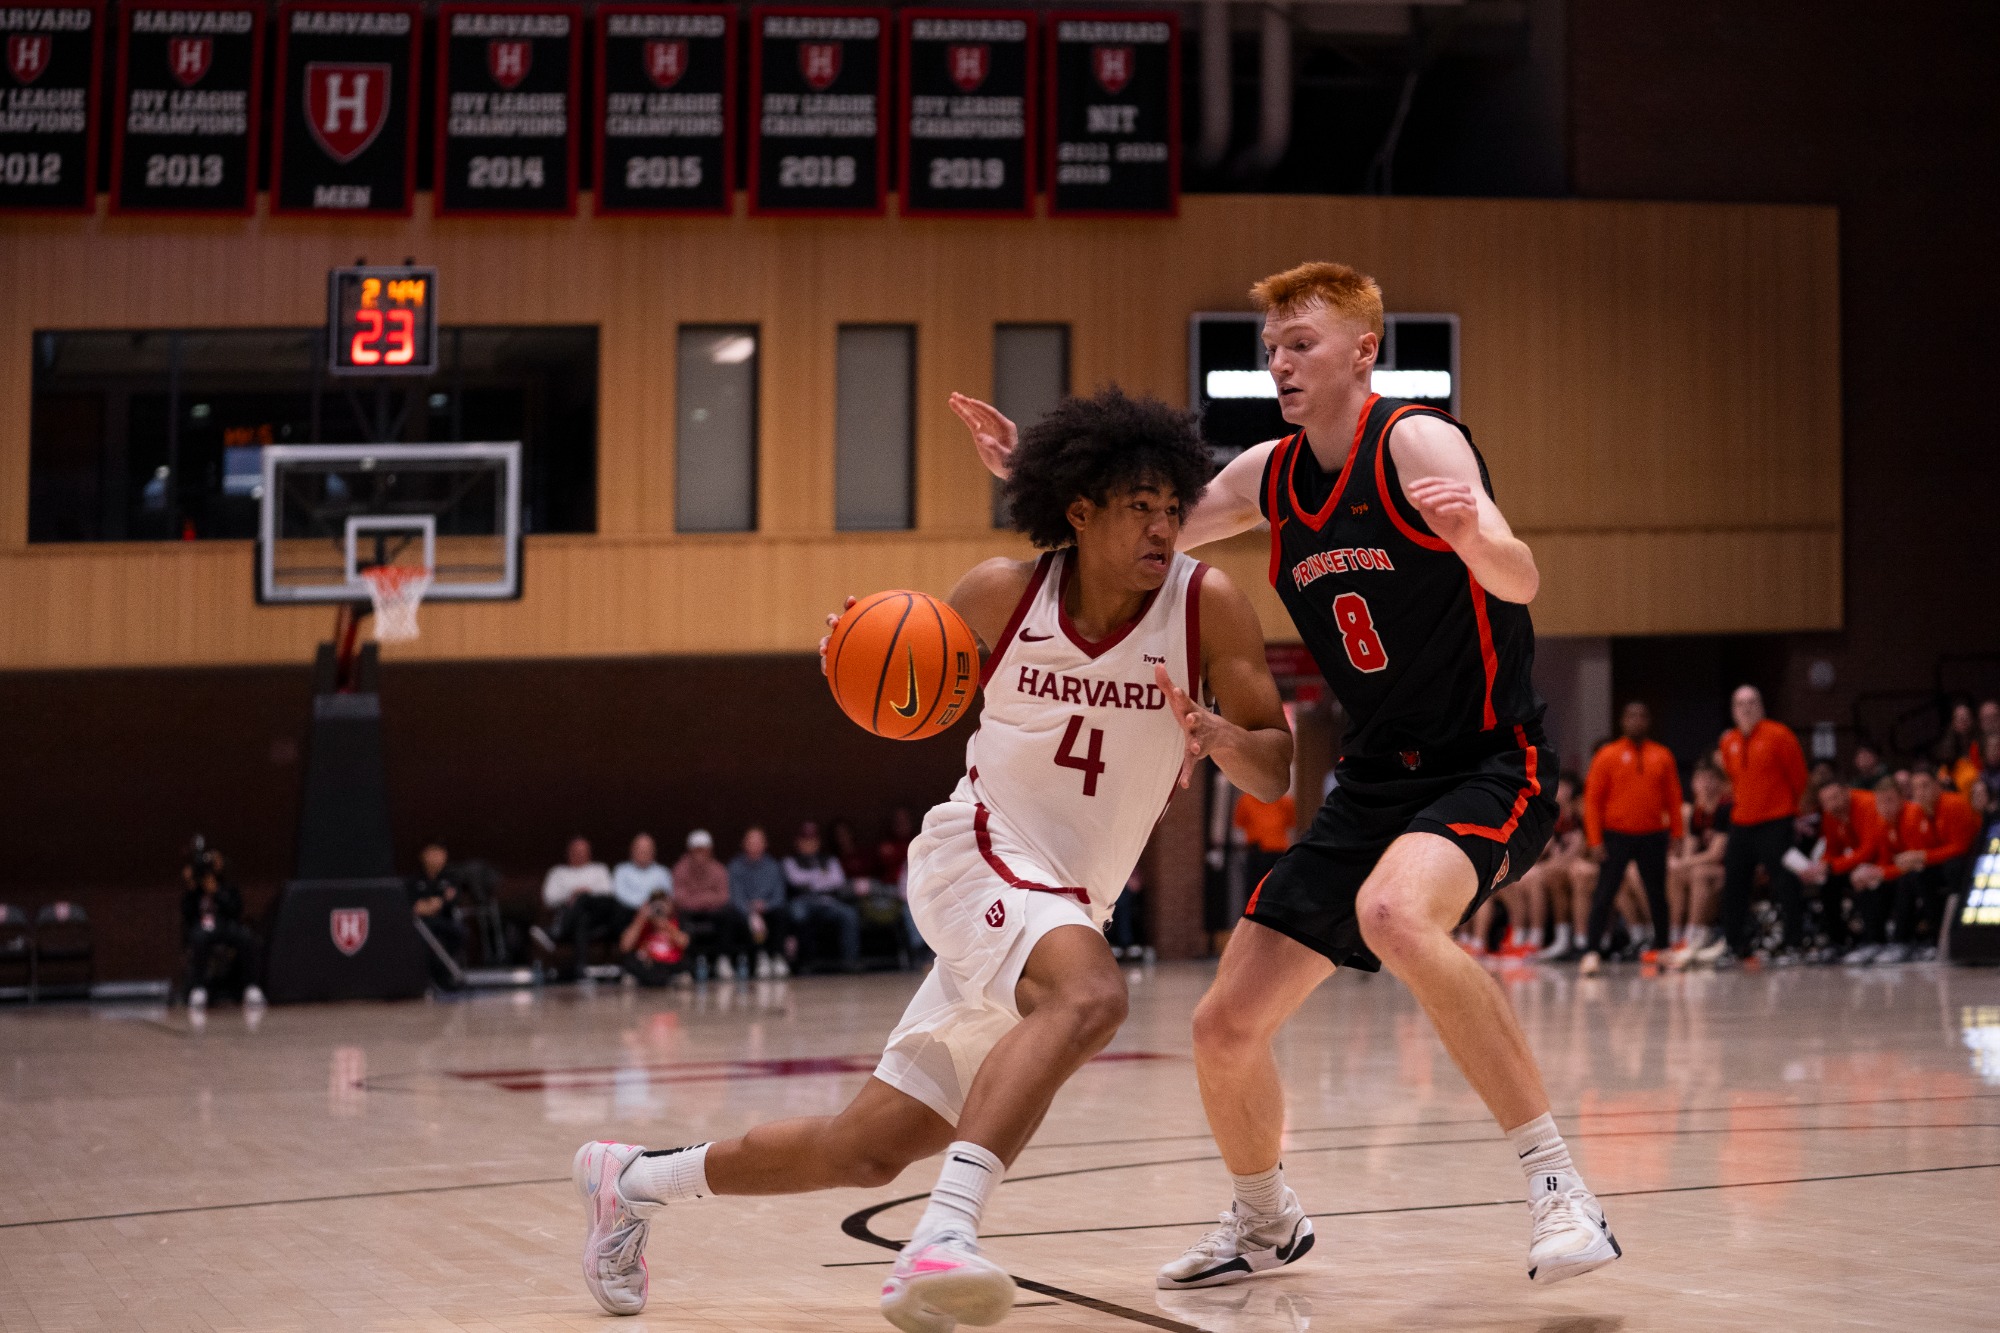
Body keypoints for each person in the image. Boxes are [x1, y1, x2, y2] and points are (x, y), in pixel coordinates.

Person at [570, 387, 1294, 1328]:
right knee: (1091, 996)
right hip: (979, 854)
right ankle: (941, 1236)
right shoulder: (1004, 592)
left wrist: (1219, 735)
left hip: (1068, 902)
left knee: (867, 1147)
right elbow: (913, 681)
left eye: (1172, 508)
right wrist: (855, 653)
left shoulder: (1209, 605)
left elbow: (1277, 769)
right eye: (1139, 508)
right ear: (1078, 510)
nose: (1164, 527)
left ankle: (631, 1182)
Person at [961, 261, 1619, 1291]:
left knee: (1396, 914)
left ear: (1363, 351)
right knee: (1223, 1024)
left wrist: (1473, 538)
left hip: (1489, 763)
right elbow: (1145, 526)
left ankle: (1559, 1189)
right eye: (1270, 349)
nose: (1279, 363)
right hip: (1370, 781)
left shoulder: (1415, 441)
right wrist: (1032, 478)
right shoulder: (1268, 475)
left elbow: (1520, 573)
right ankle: (1265, 1221)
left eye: (1300, 344)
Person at [1577, 702, 1683, 975]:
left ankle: (1662, 949)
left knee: (1658, 895)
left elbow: (1673, 798)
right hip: (1615, 836)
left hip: (1652, 835)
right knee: (1604, 895)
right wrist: (1594, 839)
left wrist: (1678, 832)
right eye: (1631, 716)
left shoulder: (1662, 755)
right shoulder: (1607, 755)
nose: (1636, 721)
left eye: (1642, 716)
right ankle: (1591, 952)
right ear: (1622, 721)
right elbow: (1592, 801)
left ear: (1648, 721)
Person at [1717, 685, 1810, 960]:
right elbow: (1734, 780)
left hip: (1775, 821)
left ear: (1761, 706)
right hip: (1742, 822)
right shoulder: (1728, 741)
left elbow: (1799, 778)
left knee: (1786, 882)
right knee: (1734, 884)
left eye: (1751, 702)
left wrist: (1795, 814)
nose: (1746, 708)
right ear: (1733, 710)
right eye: (1740, 703)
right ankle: (1735, 944)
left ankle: (1794, 942)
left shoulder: (1779, 735)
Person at [1876, 768, 1979, 961]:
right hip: (1942, 865)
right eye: (1916, 788)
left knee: (1950, 867)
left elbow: (1961, 847)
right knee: (1914, 876)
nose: (1921, 792)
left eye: (1925, 786)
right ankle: (1908, 941)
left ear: (1937, 787)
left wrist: (1921, 856)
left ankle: (1942, 939)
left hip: (1969, 864)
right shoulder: (1919, 813)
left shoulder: (1954, 804)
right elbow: (1920, 852)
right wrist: (1917, 858)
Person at [1798, 778, 1886, 960]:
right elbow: (1832, 849)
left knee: (1862, 880)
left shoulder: (1867, 804)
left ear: (1847, 792)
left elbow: (1870, 849)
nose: (1832, 804)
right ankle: (1836, 942)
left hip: (1881, 861)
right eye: (1827, 801)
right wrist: (1821, 866)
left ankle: (1873, 941)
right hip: (1857, 863)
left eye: (1835, 798)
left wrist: (1831, 866)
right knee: (1828, 883)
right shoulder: (1830, 814)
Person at [1668, 763, 1731, 965]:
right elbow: (1691, 846)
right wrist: (1682, 864)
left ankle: (1695, 933)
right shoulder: (1697, 812)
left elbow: (1716, 853)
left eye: (1711, 779)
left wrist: (1686, 863)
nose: (1706, 785)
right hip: (1706, 866)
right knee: (1676, 874)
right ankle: (1674, 933)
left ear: (1722, 784)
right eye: (1701, 779)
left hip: (1728, 866)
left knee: (1699, 874)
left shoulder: (1725, 807)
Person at [671, 830, 750, 979]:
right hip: (690, 912)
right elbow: (679, 898)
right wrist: (707, 898)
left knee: (729, 914)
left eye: (704, 850)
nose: (700, 854)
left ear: (710, 851)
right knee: (679, 916)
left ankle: (723, 959)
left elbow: (724, 897)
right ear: (690, 851)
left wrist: (698, 898)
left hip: (714, 912)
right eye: (697, 850)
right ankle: (688, 964)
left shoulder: (718, 869)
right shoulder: (680, 869)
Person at [182, 865, 264, 1008]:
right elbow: (187, 913)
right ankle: (198, 988)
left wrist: (217, 892)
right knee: (198, 938)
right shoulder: (195, 892)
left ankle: (251, 987)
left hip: (225, 926)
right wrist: (191, 887)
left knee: (245, 936)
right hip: (202, 929)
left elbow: (235, 910)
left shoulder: (227, 887)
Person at [782, 821, 859, 972]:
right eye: (805, 840)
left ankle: (850, 963)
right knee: (799, 914)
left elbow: (838, 881)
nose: (809, 844)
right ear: (798, 842)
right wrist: (821, 878)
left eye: (813, 840)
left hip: (827, 902)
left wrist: (812, 880)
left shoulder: (829, 859)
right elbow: (795, 879)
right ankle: (805, 963)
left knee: (849, 914)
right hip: (802, 901)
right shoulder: (790, 860)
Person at [541, 837, 618, 982]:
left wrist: (583, 894)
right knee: (582, 918)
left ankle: (557, 931)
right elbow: (549, 898)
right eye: (576, 852)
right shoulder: (558, 872)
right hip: (574, 918)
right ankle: (580, 969)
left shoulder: (599, 869)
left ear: (589, 853)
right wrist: (572, 894)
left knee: (584, 900)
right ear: (568, 853)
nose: (580, 855)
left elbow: (608, 893)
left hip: (598, 918)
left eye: (583, 852)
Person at [727, 826, 791, 978]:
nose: (754, 845)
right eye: (751, 842)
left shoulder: (774, 866)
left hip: (768, 909)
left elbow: (779, 896)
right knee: (735, 916)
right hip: (744, 911)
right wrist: (750, 912)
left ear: (765, 844)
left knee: (781, 913)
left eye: (758, 842)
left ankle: (777, 957)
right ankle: (759, 959)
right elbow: (735, 896)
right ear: (744, 844)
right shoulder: (734, 867)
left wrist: (765, 906)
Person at [409, 841, 467, 987]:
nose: (436, 857)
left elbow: (451, 900)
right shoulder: (415, 879)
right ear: (423, 855)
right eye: (432, 852)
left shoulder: (451, 877)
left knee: (460, 932)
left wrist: (436, 904)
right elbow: (415, 906)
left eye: (439, 852)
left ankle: (445, 973)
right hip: (421, 923)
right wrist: (433, 904)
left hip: (445, 920)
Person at [619, 889, 692, 987]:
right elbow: (625, 946)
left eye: (662, 904)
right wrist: (640, 919)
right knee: (630, 963)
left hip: (670, 965)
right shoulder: (642, 923)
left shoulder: (676, 922)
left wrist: (666, 924)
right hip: (647, 965)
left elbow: (684, 943)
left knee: (686, 965)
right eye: (655, 904)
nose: (658, 908)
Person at [612, 834, 673, 918]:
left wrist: (651, 908)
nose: (643, 853)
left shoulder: (663, 872)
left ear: (654, 852)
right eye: (640, 850)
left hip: (656, 915)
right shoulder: (621, 870)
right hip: (628, 914)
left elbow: (667, 896)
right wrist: (645, 906)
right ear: (632, 850)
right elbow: (620, 896)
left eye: (647, 850)